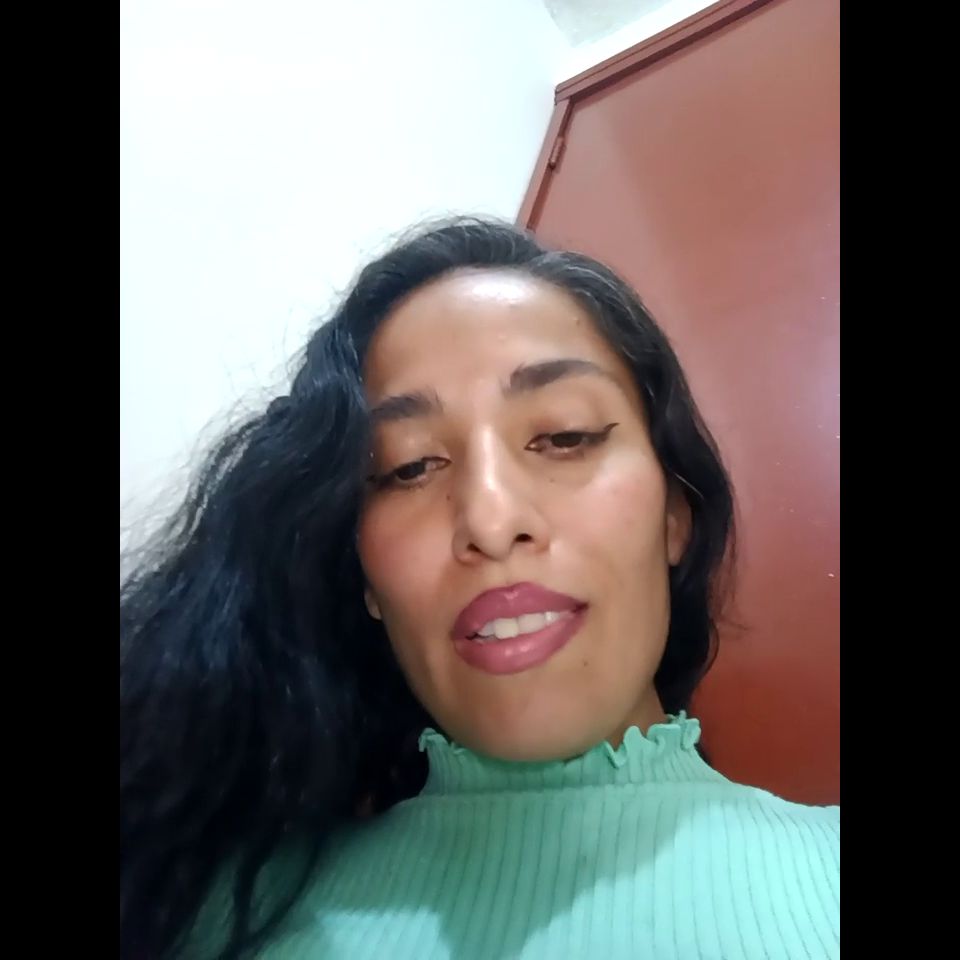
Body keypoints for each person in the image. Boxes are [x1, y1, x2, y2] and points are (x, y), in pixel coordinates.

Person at [120, 218, 840, 960]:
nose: (491, 522)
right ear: (364, 575)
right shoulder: (211, 914)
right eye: (407, 467)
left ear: (672, 518)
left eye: (564, 436)